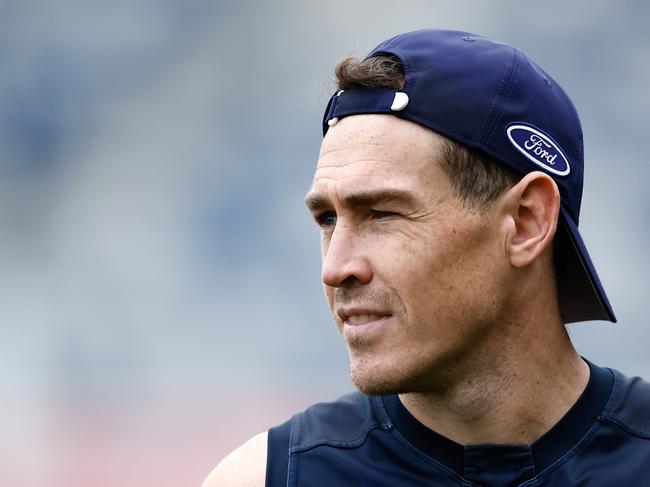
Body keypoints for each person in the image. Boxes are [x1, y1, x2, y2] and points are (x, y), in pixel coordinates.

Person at [203, 29, 650, 486]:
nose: (335, 269)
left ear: (526, 221)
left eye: (381, 213)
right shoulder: (267, 477)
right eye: (328, 220)